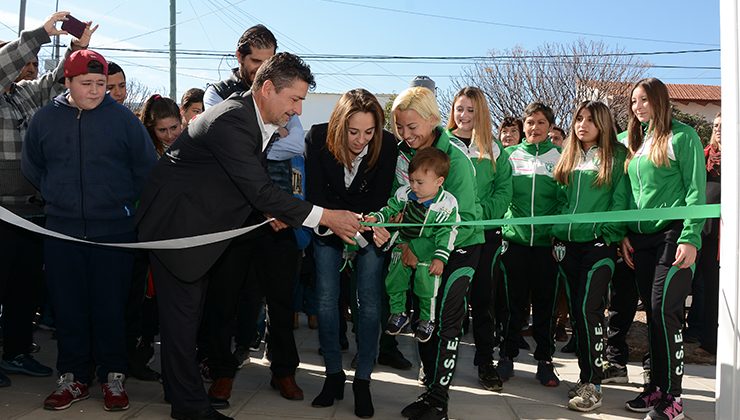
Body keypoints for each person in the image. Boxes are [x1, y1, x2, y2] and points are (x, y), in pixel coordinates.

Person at [135, 52, 361, 420]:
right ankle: (190, 407)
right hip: (175, 229)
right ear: (268, 88)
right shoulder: (233, 120)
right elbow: (257, 188)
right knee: (182, 320)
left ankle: (182, 397)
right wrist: (325, 217)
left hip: (198, 228)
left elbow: (245, 185)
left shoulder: (249, 119)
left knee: (189, 319)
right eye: (295, 99)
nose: (299, 110)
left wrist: (269, 211)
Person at [22, 49, 158, 412]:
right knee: (68, 307)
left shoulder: (125, 121)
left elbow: (147, 170)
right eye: (87, 83)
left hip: (114, 232)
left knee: (110, 307)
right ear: (67, 82)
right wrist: (58, 198)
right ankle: (72, 377)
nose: (96, 91)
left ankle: (113, 375)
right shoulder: (44, 119)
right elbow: (33, 167)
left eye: (101, 83)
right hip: (61, 232)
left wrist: (122, 206)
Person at [199, 24, 307, 406]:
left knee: (280, 296)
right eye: (256, 61)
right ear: (240, 59)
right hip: (233, 214)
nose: (263, 66)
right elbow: (235, 149)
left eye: (270, 60)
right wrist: (264, 141)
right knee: (224, 296)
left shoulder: (284, 96)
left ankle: (284, 371)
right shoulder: (221, 95)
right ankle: (222, 372)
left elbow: (296, 141)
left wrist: (269, 141)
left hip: (278, 210)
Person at [0, 11, 94, 389]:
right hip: (1, 211)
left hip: (31, 212)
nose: (26, 67)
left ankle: (17, 351)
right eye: (19, 61)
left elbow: (57, 83)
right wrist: (40, 33)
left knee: (25, 288)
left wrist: (76, 48)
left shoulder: (24, 95)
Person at [381, 86, 483, 420]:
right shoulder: (403, 155)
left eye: (412, 127)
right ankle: (431, 391)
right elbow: (406, 208)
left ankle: (439, 401)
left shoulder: (454, 156)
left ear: (433, 119)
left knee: (444, 323)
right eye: (399, 127)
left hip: (461, 247)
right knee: (424, 319)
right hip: (416, 249)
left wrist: (421, 249)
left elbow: (463, 219)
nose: (406, 134)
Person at [305, 88, 397, 418]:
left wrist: (373, 222)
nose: (361, 141)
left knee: (370, 302)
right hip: (327, 228)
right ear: (338, 126)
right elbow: (313, 194)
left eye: (369, 132)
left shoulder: (387, 145)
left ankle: (363, 380)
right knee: (327, 300)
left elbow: (383, 196)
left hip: (368, 231)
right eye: (353, 132)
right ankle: (333, 375)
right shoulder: (316, 139)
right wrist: (338, 222)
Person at [621, 77, 706, 420]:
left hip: (672, 235)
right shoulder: (635, 142)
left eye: (643, 100)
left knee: (664, 311)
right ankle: (656, 387)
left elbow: (696, 191)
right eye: (633, 101)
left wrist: (690, 236)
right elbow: (626, 191)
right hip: (639, 240)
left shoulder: (683, 137)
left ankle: (674, 398)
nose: (637, 106)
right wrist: (625, 232)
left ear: (659, 100)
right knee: (653, 315)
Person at [552, 101, 629, 411]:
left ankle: (594, 385)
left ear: (603, 123)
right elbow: (559, 199)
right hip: (565, 245)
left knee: (589, 309)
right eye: (578, 119)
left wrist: (606, 233)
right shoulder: (567, 156)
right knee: (577, 313)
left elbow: (621, 200)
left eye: (590, 120)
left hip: (599, 245)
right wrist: (558, 231)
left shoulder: (617, 156)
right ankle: (586, 376)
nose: (582, 125)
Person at [445, 86, 512, 392]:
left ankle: (486, 363)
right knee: (446, 302)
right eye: (460, 108)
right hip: (448, 236)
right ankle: (435, 362)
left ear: (481, 113)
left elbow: (504, 192)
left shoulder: (495, 149)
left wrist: (476, 212)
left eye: (471, 110)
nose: (465, 115)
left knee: (483, 301)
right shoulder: (442, 143)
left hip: (484, 235)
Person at [498, 102, 563, 387]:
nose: (534, 128)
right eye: (529, 122)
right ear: (522, 126)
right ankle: (507, 356)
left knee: (545, 305)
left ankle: (546, 361)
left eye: (540, 123)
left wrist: (557, 232)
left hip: (547, 244)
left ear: (549, 127)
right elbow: (500, 194)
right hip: (516, 240)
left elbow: (564, 199)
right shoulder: (510, 155)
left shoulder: (560, 156)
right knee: (513, 304)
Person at [367, 147, 459, 343]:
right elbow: (390, 208)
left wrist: (440, 257)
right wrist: (377, 217)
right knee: (394, 279)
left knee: (427, 286)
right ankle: (398, 313)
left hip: (429, 250)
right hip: (402, 244)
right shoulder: (404, 194)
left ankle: (427, 319)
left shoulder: (447, 204)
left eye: (419, 182)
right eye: (411, 181)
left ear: (439, 181)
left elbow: (447, 232)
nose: (414, 186)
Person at [695, 112, 721, 356]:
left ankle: (713, 342)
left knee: (714, 288)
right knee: (696, 285)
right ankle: (697, 334)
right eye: (715, 125)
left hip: (723, 238)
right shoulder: (704, 158)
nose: (719, 129)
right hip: (701, 232)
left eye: (723, 125)